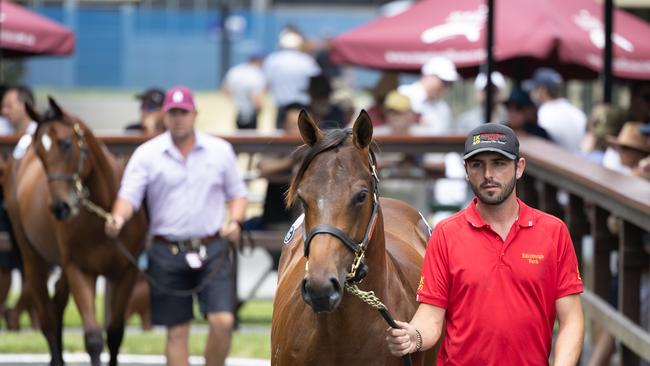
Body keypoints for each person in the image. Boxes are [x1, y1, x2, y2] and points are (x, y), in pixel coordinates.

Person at [386, 123, 584, 365]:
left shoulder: (554, 232)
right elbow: (431, 316)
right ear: (466, 170)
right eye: (477, 164)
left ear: (519, 168)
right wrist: (412, 337)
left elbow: (571, 319)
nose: (488, 174)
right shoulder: (446, 234)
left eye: (499, 163)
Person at [105, 85, 248, 366]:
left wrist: (235, 220)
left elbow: (238, 194)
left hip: (211, 246)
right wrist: (118, 217)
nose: (179, 118)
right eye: (173, 113)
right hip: (166, 249)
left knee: (223, 321)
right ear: (164, 116)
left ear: (195, 114)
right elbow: (128, 196)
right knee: (177, 330)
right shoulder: (147, 154)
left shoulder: (220, 150)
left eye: (184, 112)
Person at [263, 26, 321, 129]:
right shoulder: (306, 60)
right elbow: (317, 82)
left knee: (280, 140)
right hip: (302, 107)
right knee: (304, 139)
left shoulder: (272, 60)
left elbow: (266, 83)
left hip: (282, 107)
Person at [523, 68, 587, 154]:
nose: (534, 92)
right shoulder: (578, 113)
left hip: (552, 164)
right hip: (577, 164)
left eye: (535, 88)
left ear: (542, 90)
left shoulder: (544, 112)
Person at [398, 56, 458, 135]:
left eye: (449, 83)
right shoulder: (403, 94)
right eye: (443, 81)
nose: (445, 87)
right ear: (427, 75)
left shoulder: (443, 108)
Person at [222, 54, 266, 130]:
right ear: (259, 61)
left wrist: (236, 100)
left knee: (240, 137)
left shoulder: (235, 71)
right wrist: (259, 109)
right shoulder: (256, 74)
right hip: (251, 112)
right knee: (252, 139)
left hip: (239, 111)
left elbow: (225, 90)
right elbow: (256, 97)